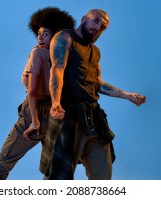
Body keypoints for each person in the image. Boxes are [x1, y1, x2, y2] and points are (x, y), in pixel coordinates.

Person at [40, 9, 146, 180]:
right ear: (83, 19)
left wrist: (127, 95)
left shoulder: (95, 52)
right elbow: (57, 69)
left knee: (103, 173)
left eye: (103, 26)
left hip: (93, 117)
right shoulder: (64, 37)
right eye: (96, 21)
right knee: (58, 176)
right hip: (67, 115)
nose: (98, 27)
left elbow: (97, 83)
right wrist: (55, 102)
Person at [0, 7, 75, 180]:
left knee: (3, 163)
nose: (40, 37)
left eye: (46, 34)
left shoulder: (37, 54)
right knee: (53, 169)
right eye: (39, 33)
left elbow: (32, 91)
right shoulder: (63, 58)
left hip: (35, 113)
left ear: (56, 37)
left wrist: (34, 122)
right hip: (56, 113)